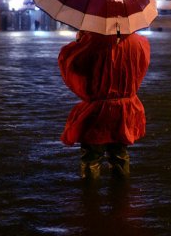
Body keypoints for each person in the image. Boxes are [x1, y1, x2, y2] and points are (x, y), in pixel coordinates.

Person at [58, 30, 151, 180]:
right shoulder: (140, 42)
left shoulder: (91, 41)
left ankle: (89, 197)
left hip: (97, 111)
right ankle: (121, 197)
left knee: (91, 158)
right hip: (124, 110)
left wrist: (78, 43)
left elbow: (72, 63)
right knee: (120, 156)